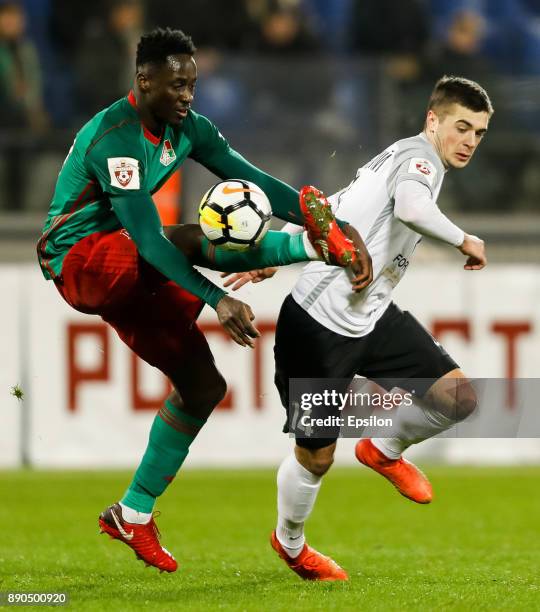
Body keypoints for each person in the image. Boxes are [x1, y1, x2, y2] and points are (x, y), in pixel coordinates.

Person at [36, 27, 371, 573]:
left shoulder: (188, 129)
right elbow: (147, 240)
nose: (188, 95)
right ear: (143, 82)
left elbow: (253, 178)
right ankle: (309, 248)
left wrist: (323, 215)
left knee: (203, 386)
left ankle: (132, 513)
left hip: (128, 270)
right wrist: (217, 298)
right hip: (77, 261)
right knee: (187, 237)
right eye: (176, 85)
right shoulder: (114, 139)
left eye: (192, 84)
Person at [226, 76, 492, 580]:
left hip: (371, 317)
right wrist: (464, 239)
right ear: (432, 121)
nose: (470, 141)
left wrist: (275, 246)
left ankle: (382, 449)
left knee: (458, 399)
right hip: (317, 325)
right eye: (462, 127)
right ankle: (290, 543)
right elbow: (412, 211)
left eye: (479, 132)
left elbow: (333, 204)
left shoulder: (394, 157)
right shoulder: (420, 161)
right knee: (316, 458)